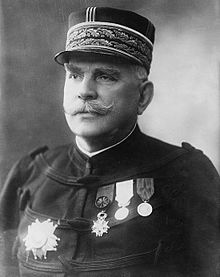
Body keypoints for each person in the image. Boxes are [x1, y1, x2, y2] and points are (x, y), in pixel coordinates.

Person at [0, 6, 219, 277]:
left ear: (143, 97)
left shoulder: (185, 176)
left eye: (105, 76)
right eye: (74, 74)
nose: (85, 92)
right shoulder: (30, 175)